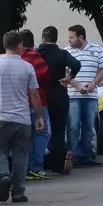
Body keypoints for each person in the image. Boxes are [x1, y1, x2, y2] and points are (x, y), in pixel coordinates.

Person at [0, 31, 45, 203]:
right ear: (19, 45)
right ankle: (18, 192)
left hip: (2, 118)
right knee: (20, 155)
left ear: (4, 45)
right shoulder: (27, 67)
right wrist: (39, 116)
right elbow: (34, 94)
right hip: (22, 119)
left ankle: (3, 175)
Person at [36, 26, 81, 175]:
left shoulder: (36, 53)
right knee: (59, 130)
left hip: (40, 93)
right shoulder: (61, 53)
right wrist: (69, 77)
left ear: (43, 38)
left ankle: (38, 163)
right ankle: (58, 164)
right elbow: (76, 64)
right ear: (56, 38)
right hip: (58, 92)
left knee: (39, 130)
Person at [65, 25, 103, 167]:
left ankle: (86, 156)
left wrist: (94, 83)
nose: (69, 40)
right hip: (73, 95)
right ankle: (73, 156)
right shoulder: (66, 52)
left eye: (72, 37)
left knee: (89, 126)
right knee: (74, 126)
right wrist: (77, 85)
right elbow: (63, 74)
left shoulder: (96, 49)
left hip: (91, 96)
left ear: (81, 37)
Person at [17, 29, 51, 180]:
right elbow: (44, 77)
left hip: (20, 103)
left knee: (27, 137)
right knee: (42, 133)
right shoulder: (34, 57)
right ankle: (36, 167)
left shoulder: (15, 58)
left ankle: (24, 169)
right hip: (38, 101)